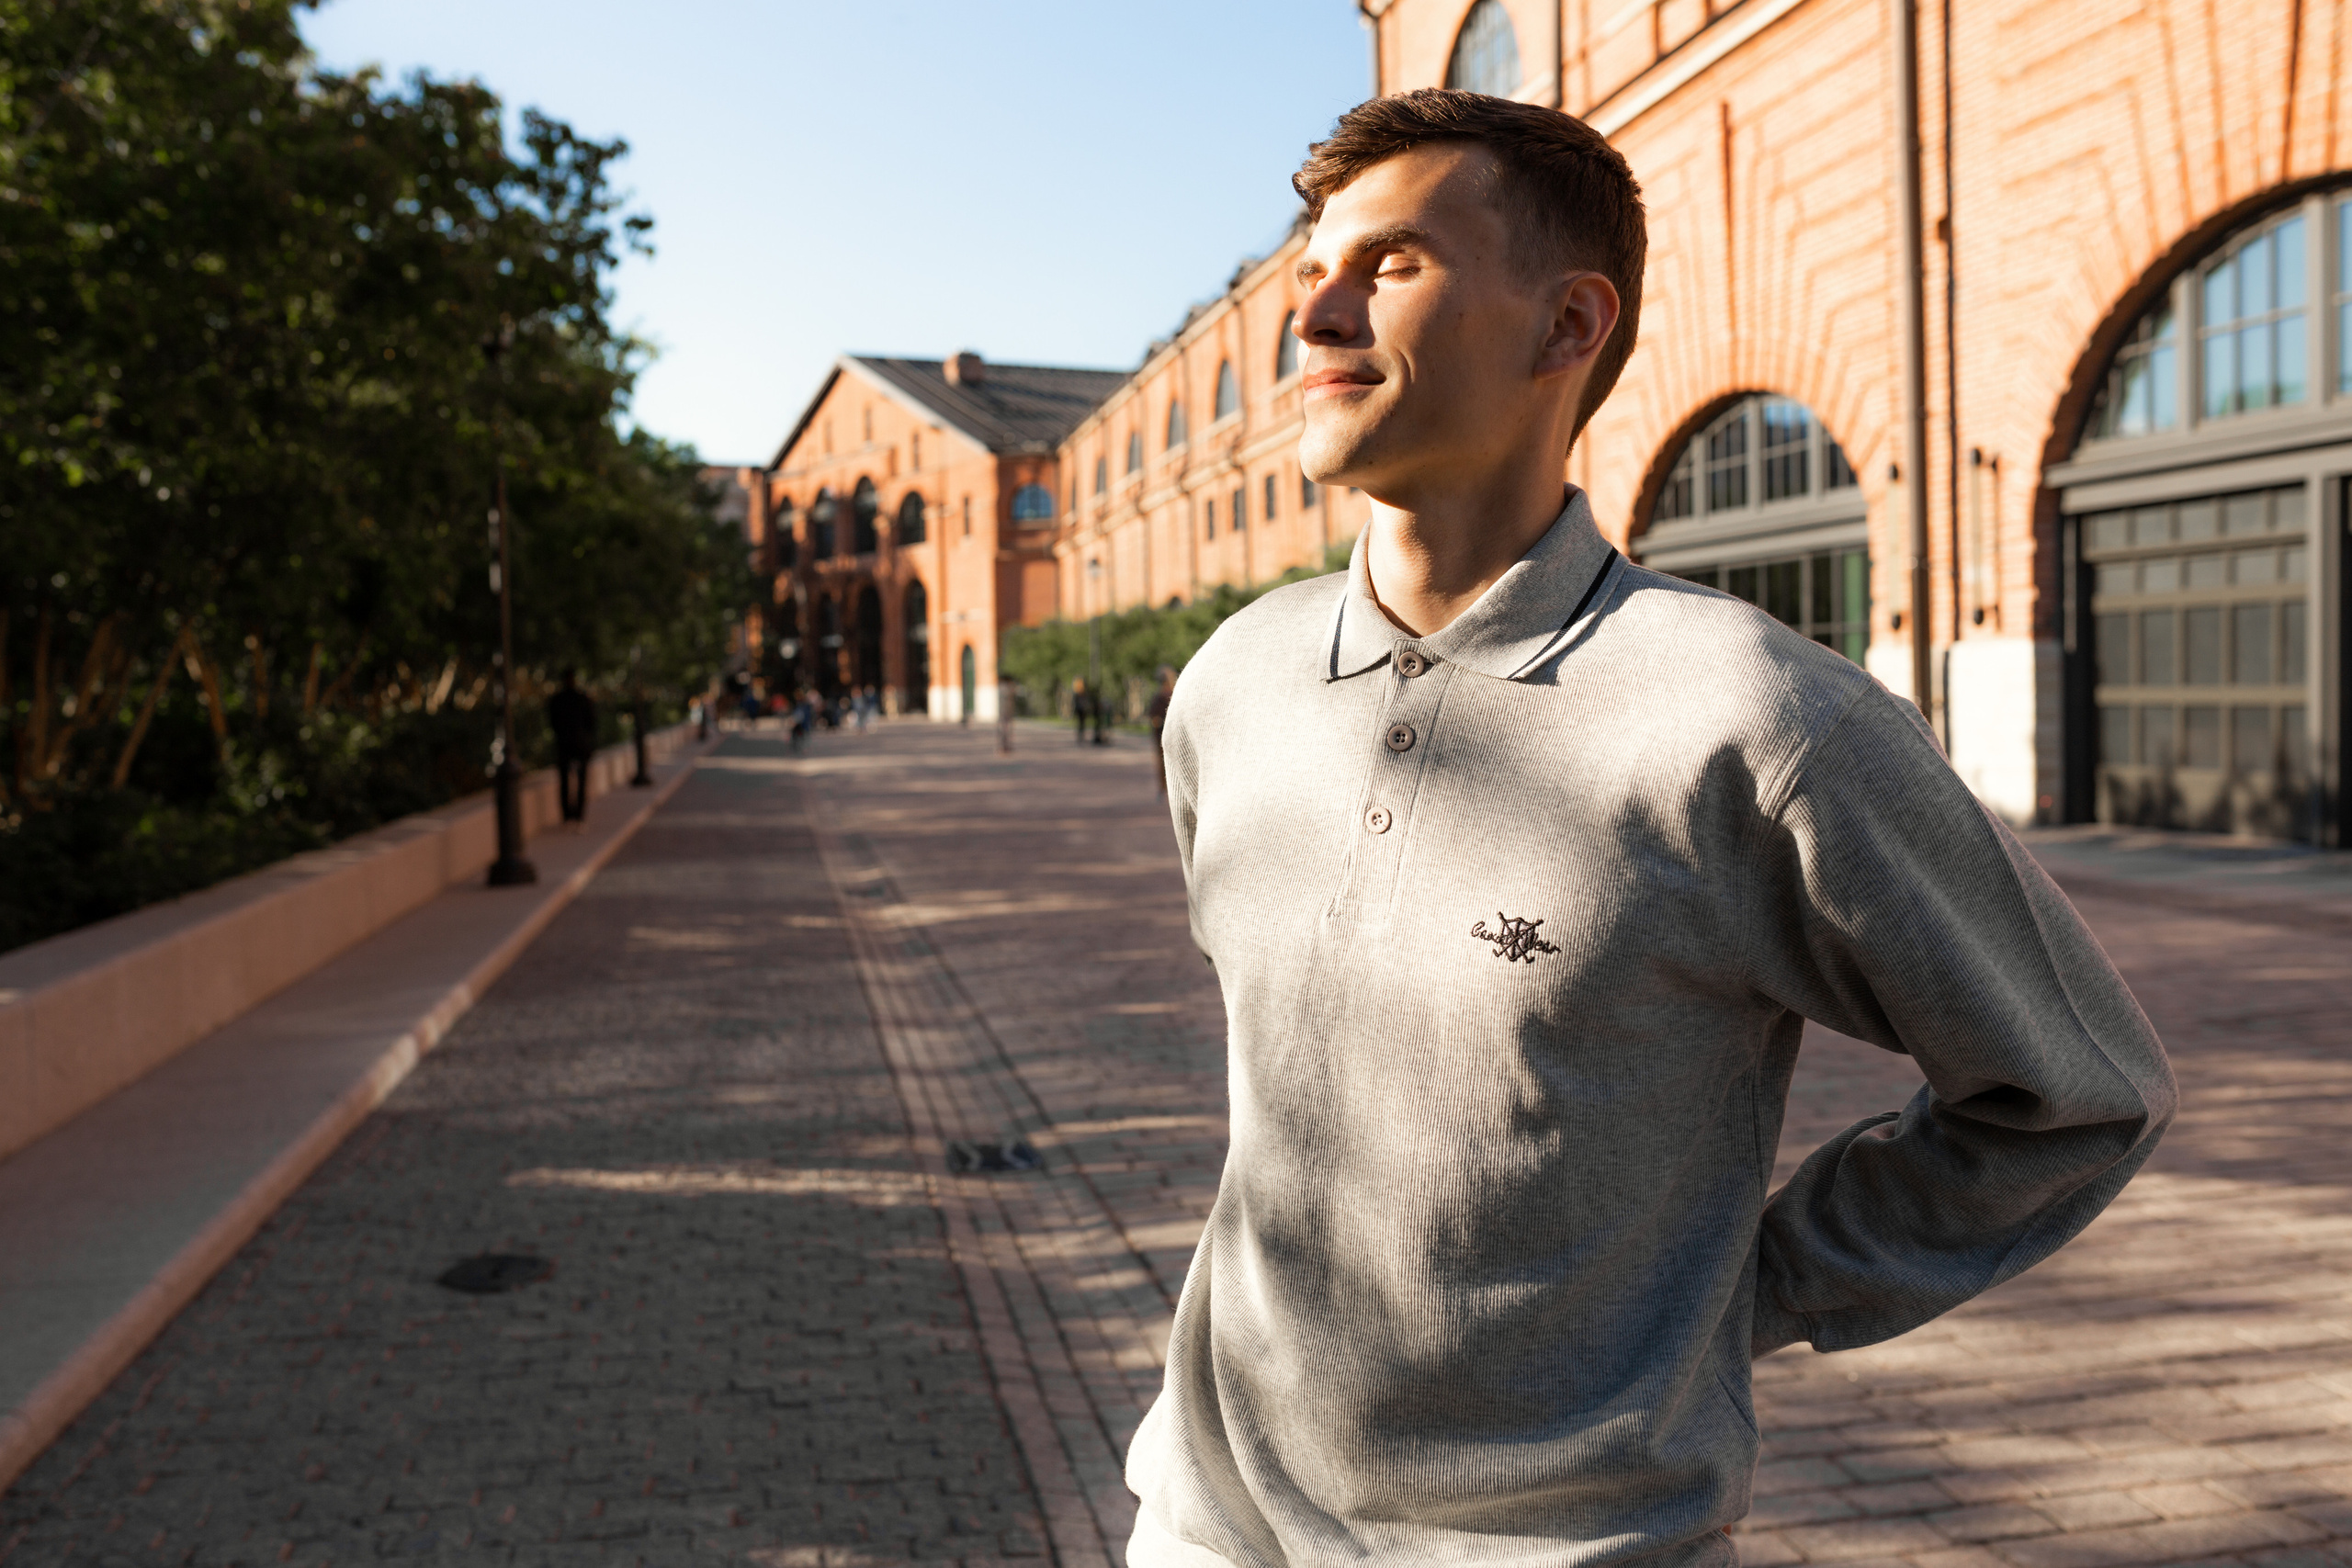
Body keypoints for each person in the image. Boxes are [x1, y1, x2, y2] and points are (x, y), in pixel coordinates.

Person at [1132, 89, 2176, 1568]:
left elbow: (2080, 1090)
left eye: (1393, 264)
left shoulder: (1760, 719)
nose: (1317, 315)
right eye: (1314, 269)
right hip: (1204, 1525)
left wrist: (1748, 1287)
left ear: (1568, 327)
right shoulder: (1231, 683)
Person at [545, 669, 596, 827]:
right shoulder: (575, 699)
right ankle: (573, 815)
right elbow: (591, 723)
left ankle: (573, 815)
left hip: (571, 746)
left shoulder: (567, 699)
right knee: (571, 782)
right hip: (571, 746)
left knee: (573, 782)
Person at [1146, 665, 1176, 796]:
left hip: (1164, 734)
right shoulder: (1171, 694)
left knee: (1164, 762)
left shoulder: (1163, 696)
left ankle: (1165, 788)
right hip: (1166, 734)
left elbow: (1153, 716)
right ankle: (1166, 788)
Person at [1071, 677, 1092, 745]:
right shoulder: (1078, 693)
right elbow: (1075, 702)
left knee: (1082, 724)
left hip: (1082, 710)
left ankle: (1081, 736)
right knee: (1081, 724)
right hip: (1080, 709)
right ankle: (1080, 736)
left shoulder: (1082, 693)